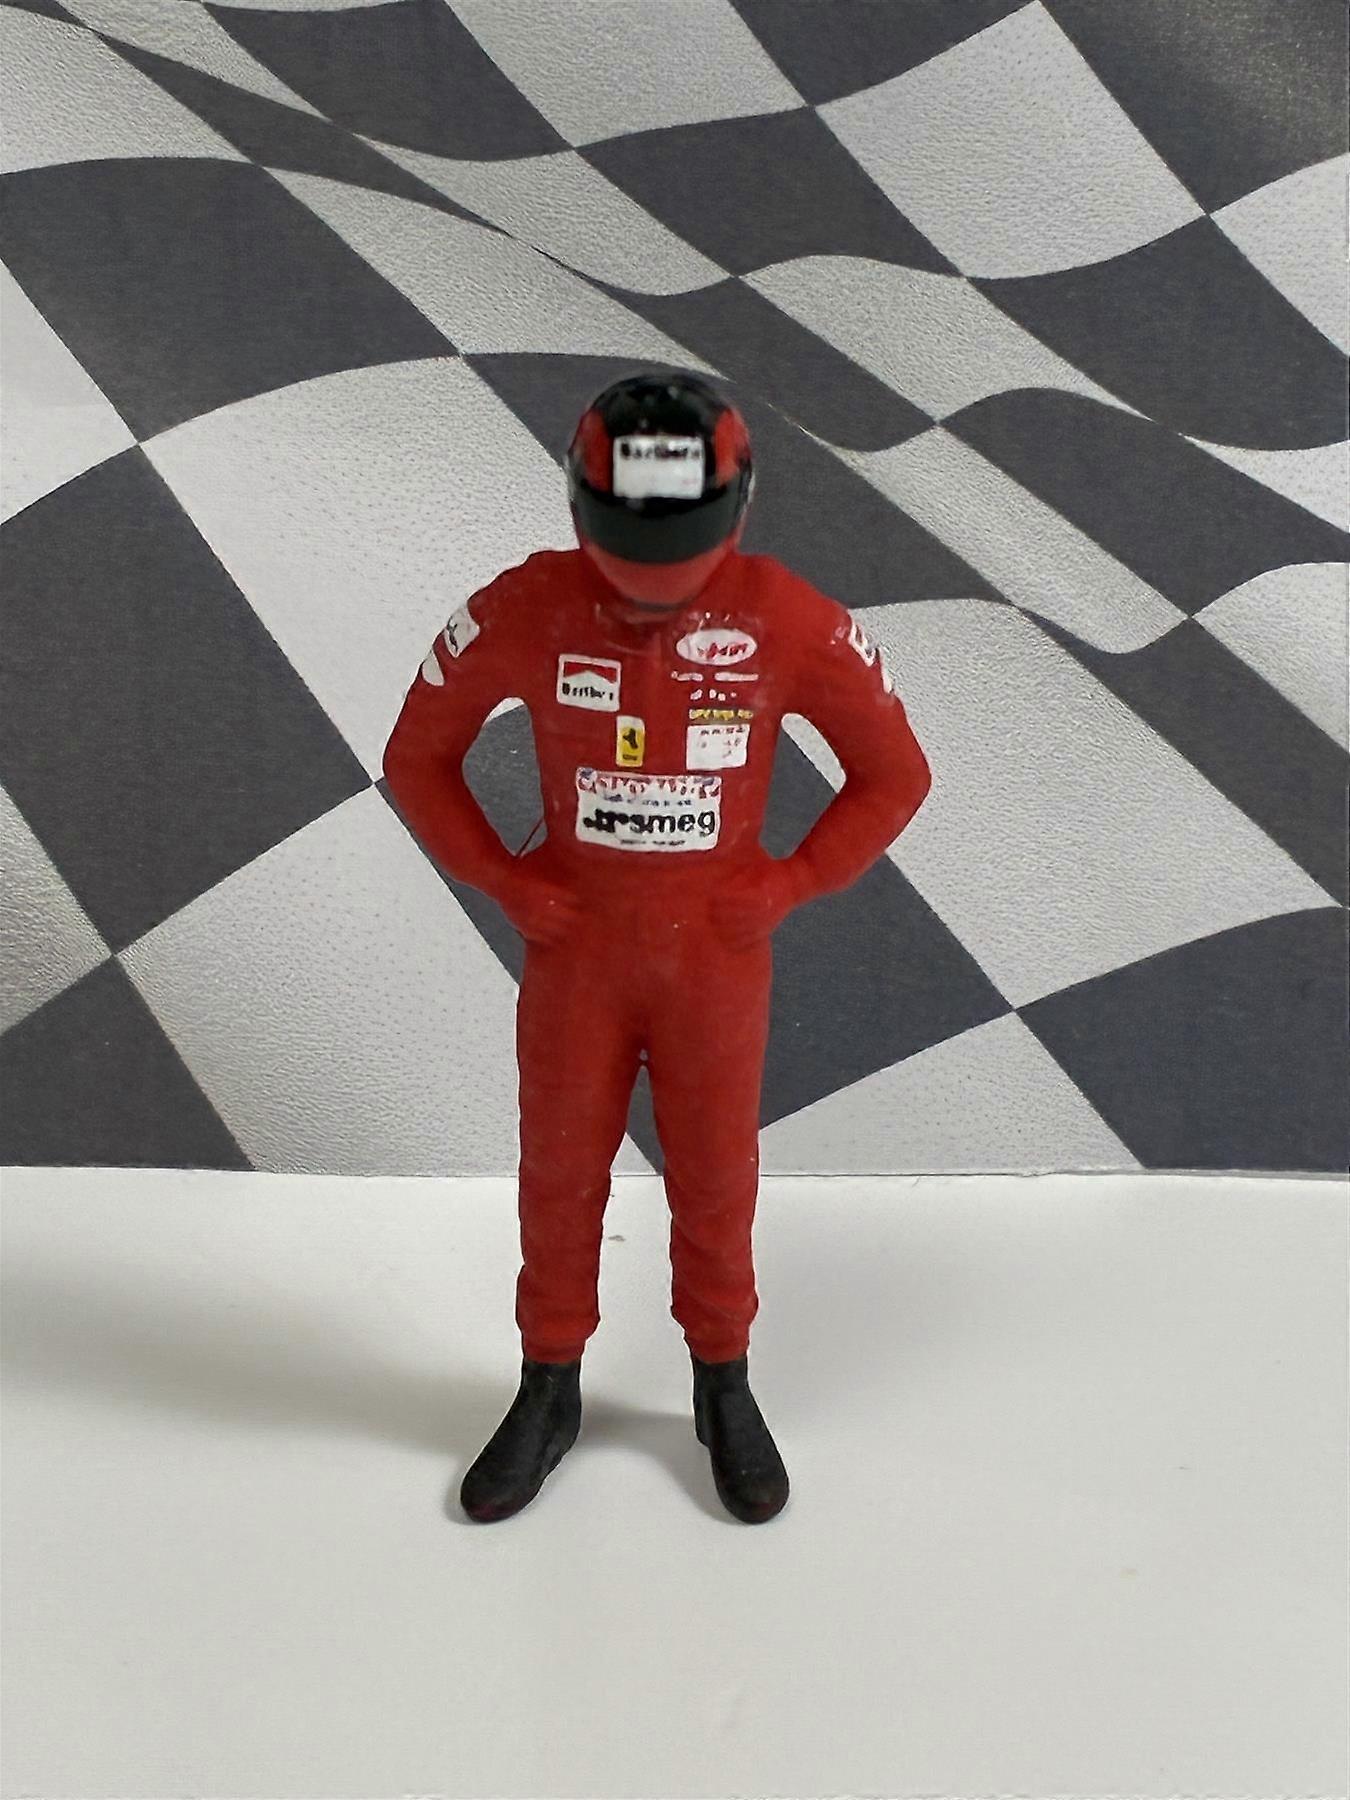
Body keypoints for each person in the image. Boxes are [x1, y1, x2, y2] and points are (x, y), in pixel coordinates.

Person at [383, 371, 932, 1524]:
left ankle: (722, 1382)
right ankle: (549, 1383)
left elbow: (896, 775)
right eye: (628, 558)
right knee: (558, 1172)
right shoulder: (529, 606)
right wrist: (505, 879)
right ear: (581, 509)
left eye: (676, 560)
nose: (647, 592)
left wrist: (790, 882)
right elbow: (415, 757)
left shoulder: (787, 619)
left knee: (717, 1176)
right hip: (577, 956)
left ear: (736, 514)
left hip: (715, 966)